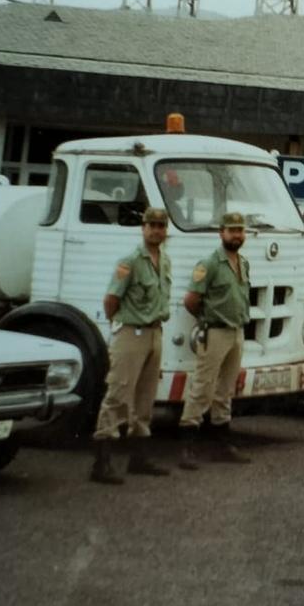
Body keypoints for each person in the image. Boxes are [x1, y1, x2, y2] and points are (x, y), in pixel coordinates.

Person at [90, 207, 172, 485]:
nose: (157, 230)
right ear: (143, 228)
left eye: (161, 226)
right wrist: (120, 325)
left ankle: (139, 457)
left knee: (145, 399)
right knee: (118, 393)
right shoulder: (130, 261)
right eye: (152, 225)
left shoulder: (165, 261)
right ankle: (101, 461)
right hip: (131, 333)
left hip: (154, 334)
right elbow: (111, 299)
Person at [176, 212, 253, 470]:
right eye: (232, 231)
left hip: (236, 333)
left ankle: (222, 445)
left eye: (240, 231)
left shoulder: (243, 263)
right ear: (221, 233)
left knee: (225, 390)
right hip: (215, 332)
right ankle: (186, 445)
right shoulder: (208, 264)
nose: (237, 235)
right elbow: (191, 300)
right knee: (202, 387)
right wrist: (208, 318)